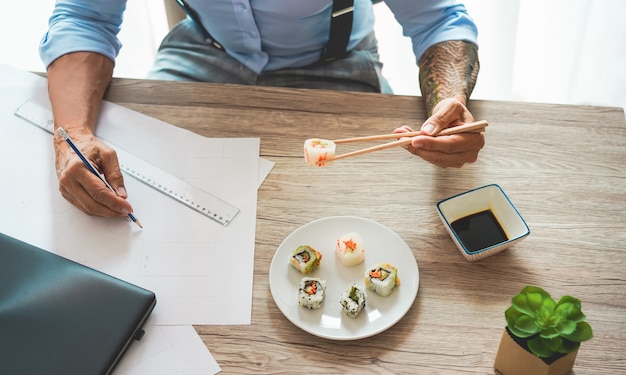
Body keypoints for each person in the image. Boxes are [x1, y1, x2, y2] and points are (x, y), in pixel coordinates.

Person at [40, 0, 482, 218]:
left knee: (369, 210)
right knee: (150, 200)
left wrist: (451, 99)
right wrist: (72, 131)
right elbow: (85, 17)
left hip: (338, 62)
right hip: (203, 53)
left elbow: (438, 19)